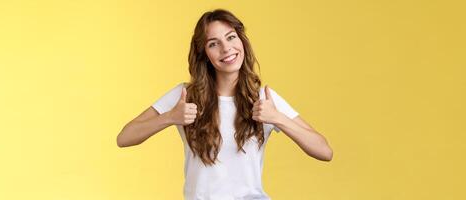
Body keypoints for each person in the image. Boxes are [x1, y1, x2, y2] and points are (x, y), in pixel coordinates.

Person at [116, 8, 333, 200]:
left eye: (231, 37)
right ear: (204, 54)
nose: (226, 48)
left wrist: (278, 118)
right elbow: (124, 137)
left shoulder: (264, 98)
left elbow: (324, 151)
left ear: (241, 41)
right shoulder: (184, 96)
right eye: (213, 43)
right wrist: (170, 117)